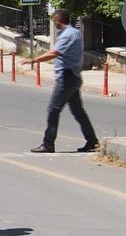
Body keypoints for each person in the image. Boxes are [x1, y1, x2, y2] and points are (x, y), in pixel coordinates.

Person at [21, 9, 99, 153]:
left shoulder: (68, 34)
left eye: (54, 20)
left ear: (59, 20)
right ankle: (92, 142)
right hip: (72, 76)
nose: (54, 23)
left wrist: (33, 60)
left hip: (67, 77)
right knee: (78, 112)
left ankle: (48, 144)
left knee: (53, 110)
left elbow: (54, 53)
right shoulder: (72, 33)